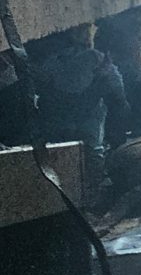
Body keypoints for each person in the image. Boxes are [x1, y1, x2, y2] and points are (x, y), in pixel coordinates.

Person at [33, 25, 129, 184]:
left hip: (62, 120)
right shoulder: (92, 59)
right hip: (72, 119)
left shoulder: (57, 59)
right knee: (88, 156)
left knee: (61, 158)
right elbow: (119, 99)